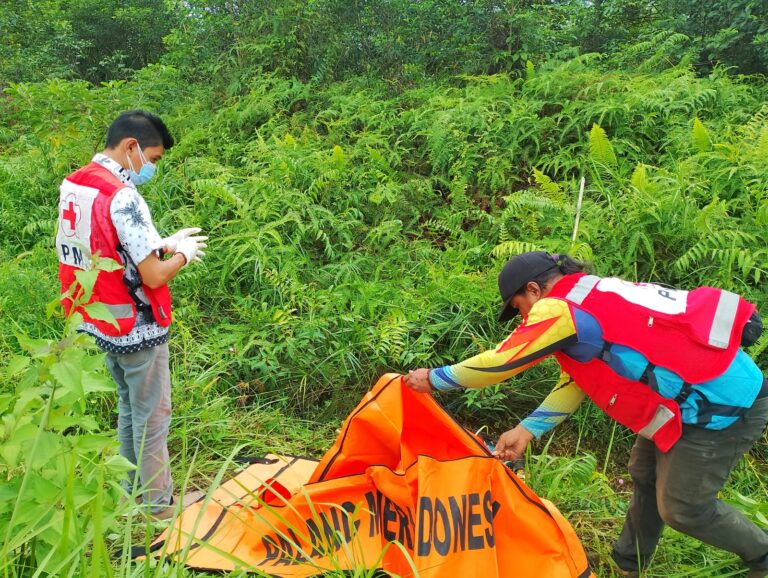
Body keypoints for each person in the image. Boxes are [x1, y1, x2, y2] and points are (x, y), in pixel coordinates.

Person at [404, 251, 768, 577]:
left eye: (517, 307)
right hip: (683, 405)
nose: (521, 317)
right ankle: (629, 563)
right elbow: (579, 380)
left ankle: (762, 555)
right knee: (644, 473)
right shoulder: (590, 294)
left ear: (533, 289)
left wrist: (434, 379)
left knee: (682, 507)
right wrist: (527, 430)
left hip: (723, 405)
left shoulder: (557, 307)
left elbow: (501, 362)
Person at [55, 110, 207, 519]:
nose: (151, 168)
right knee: (153, 417)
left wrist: (159, 240)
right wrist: (181, 256)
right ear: (131, 147)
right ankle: (158, 511)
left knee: (129, 406)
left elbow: (105, 243)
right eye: (153, 159)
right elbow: (154, 275)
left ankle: (130, 495)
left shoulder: (77, 183)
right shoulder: (123, 195)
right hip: (136, 326)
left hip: (101, 318)